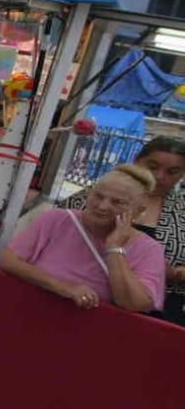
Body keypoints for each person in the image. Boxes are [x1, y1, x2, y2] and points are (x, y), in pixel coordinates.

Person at [1, 162, 165, 313]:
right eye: (98, 196)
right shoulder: (57, 219)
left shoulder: (149, 250)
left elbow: (135, 304)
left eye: (117, 202)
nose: (102, 206)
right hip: (30, 314)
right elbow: (8, 261)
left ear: (138, 211)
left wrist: (114, 248)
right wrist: (65, 288)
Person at [61, 137, 185, 323]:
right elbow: (58, 233)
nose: (160, 176)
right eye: (152, 166)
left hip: (157, 311)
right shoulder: (101, 196)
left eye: (172, 172)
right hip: (85, 295)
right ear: (136, 161)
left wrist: (177, 273)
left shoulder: (181, 210)